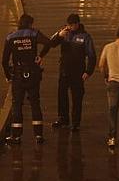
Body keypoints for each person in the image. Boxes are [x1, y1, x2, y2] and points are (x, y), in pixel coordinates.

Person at [2, 14, 51, 144]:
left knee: (17, 104)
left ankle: (16, 136)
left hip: (17, 74)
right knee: (35, 102)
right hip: (33, 73)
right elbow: (48, 43)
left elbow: (4, 61)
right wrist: (40, 55)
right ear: (30, 24)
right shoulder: (34, 33)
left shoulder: (11, 37)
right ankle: (38, 135)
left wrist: (8, 76)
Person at [50, 13, 96, 131]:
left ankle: (75, 122)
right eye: (68, 25)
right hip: (64, 70)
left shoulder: (85, 37)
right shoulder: (64, 33)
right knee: (62, 96)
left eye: (72, 25)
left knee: (77, 97)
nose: (69, 27)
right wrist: (59, 36)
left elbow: (92, 56)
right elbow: (51, 43)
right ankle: (63, 118)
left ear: (77, 24)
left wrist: (88, 71)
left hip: (78, 72)